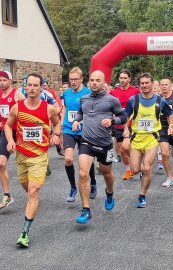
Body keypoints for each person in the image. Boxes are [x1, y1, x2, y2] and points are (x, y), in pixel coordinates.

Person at [4, 72, 61, 247]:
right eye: (29, 85)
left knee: (33, 191)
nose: (32, 88)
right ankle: (33, 200)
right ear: (25, 87)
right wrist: (11, 140)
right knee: (27, 187)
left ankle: (24, 232)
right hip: (21, 155)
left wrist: (55, 134)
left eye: (36, 85)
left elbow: (57, 123)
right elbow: (8, 125)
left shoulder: (48, 108)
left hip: (39, 155)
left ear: (41, 87)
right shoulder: (17, 107)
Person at [72, 70, 127, 224]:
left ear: (104, 82)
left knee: (106, 173)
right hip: (86, 141)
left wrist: (113, 121)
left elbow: (124, 116)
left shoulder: (112, 100)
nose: (94, 83)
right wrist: (77, 120)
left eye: (97, 80)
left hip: (104, 143)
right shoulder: (84, 99)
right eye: (92, 80)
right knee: (83, 174)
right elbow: (80, 113)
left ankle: (109, 193)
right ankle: (86, 209)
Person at [124, 72, 173, 208]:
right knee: (134, 170)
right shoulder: (133, 100)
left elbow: (170, 115)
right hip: (136, 138)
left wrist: (171, 126)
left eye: (147, 83)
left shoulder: (160, 100)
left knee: (147, 168)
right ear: (139, 85)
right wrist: (124, 130)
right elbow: (125, 116)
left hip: (152, 138)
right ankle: (143, 172)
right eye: (142, 83)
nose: (145, 85)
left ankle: (142, 196)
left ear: (152, 84)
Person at [62, 67, 98, 202]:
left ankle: (93, 183)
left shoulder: (88, 93)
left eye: (76, 79)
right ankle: (73, 188)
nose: (73, 82)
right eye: (71, 79)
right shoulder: (65, 93)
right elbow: (65, 109)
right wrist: (60, 127)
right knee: (68, 159)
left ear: (81, 79)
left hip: (84, 131)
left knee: (87, 161)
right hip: (68, 129)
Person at [0, 70, 26, 209]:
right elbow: (3, 115)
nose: (1, 83)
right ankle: (7, 195)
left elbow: (28, 110)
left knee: (25, 165)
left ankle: (32, 191)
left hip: (20, 133)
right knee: (1, 163)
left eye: (4, 80)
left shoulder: (17, 94)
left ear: (10, 81)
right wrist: (1, 123)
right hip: (6, 133)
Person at [109, 69, 140, 180]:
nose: (122, 80)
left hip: (131, 124)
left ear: (129, 79)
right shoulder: (114, 92)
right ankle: (128, 170)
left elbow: (138, 107)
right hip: (118, 125)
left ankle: (137, 165)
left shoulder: (135, 92)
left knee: (127, 147)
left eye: (125, 78)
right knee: (121, 150)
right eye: (121, 78)